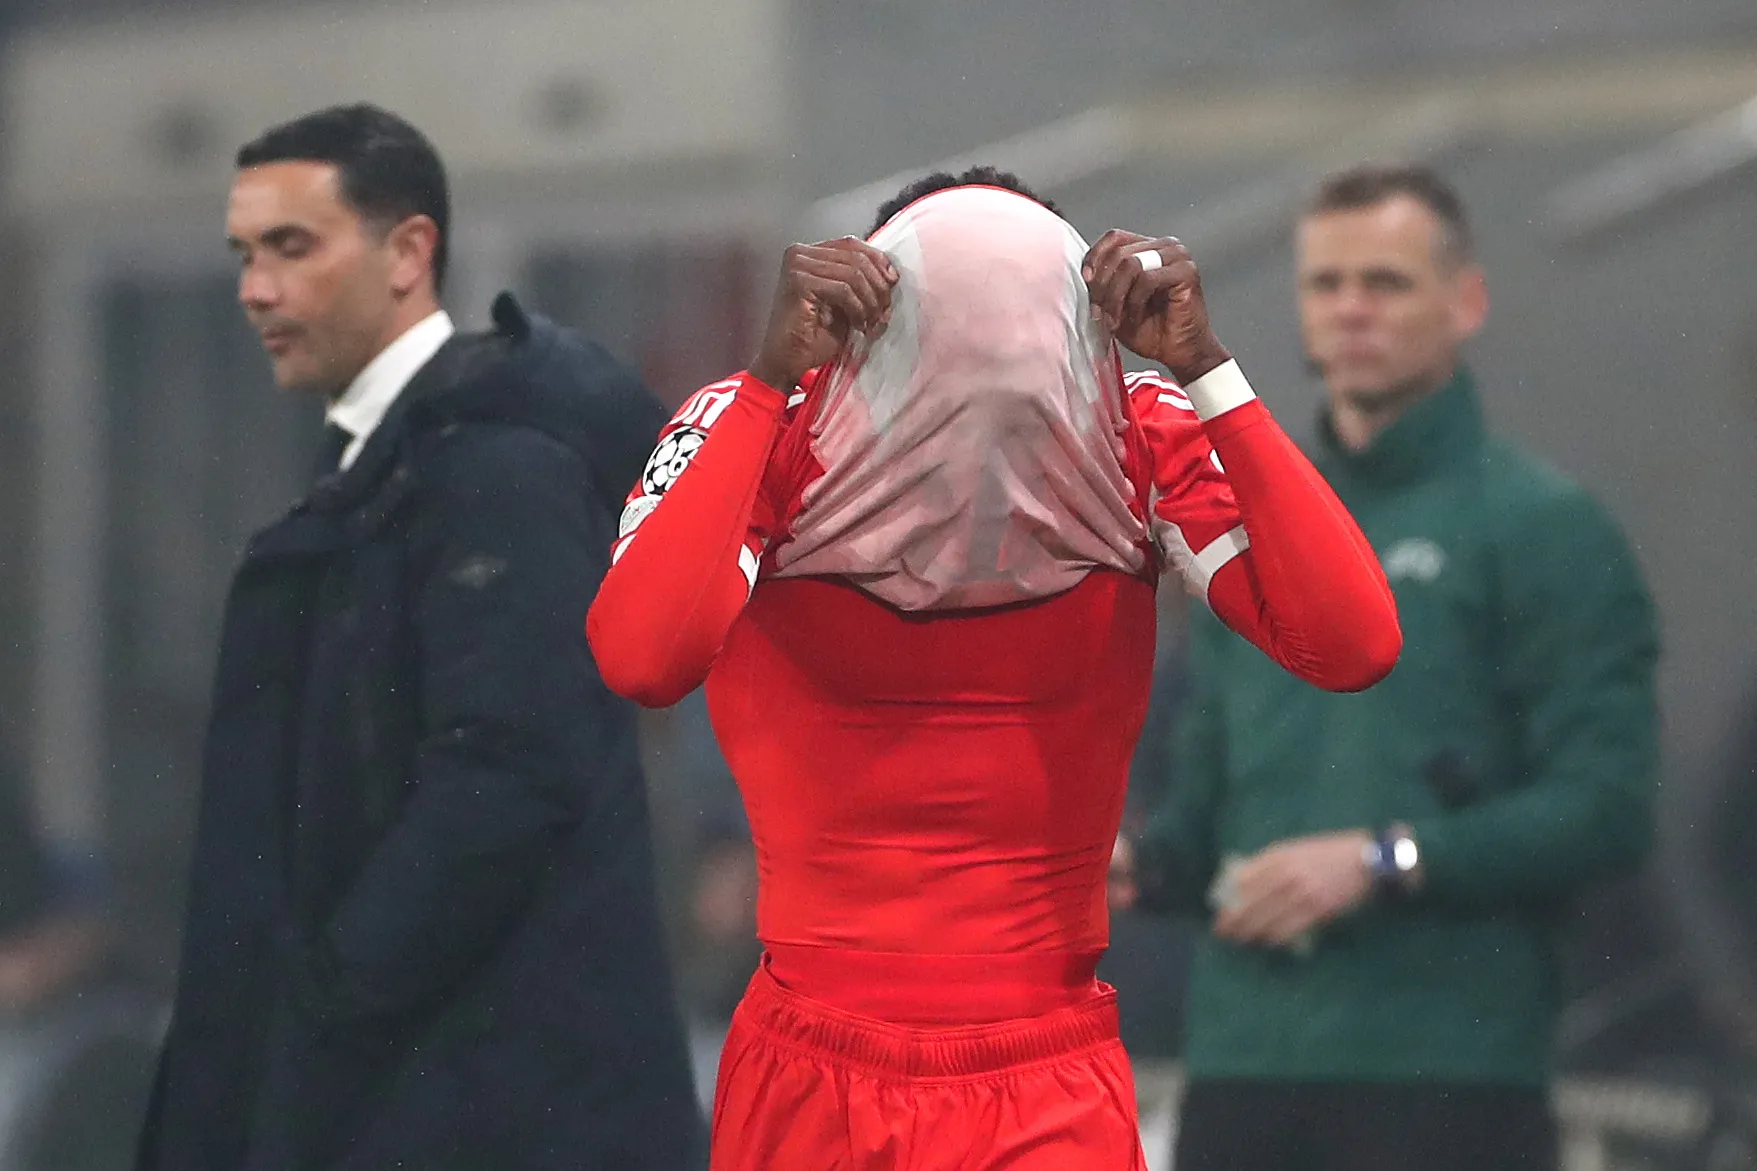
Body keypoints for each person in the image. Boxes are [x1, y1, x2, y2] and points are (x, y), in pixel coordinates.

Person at [587, 166, 1402, 1170]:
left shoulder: (1141, 428)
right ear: (855, 316)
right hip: (818, 1069)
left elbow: (1352, 638)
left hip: (1042, 1069)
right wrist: (764, 380)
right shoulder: (763, 421)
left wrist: (1206, 366)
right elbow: (642, 656)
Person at [135, 104, 704, 1171]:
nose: (256, 289)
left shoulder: (493, 470)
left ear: (408, 252)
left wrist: (332, 987)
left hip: (473, 1101)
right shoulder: (384, 471)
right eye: (244, 256)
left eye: (292, 248)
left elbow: (509, 772)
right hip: (417, 1089)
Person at [1114, 163, 1660, 1171]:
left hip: (1446, 1066)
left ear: (1466, 302)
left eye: (1386, 282)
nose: (1350, 309)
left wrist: (1381, 859)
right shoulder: (1247, 528)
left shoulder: (1544, 530)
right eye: (1325, 284)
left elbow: (1604, 805)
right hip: (1242, 1064)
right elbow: (1204, 810)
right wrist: (1137, 864)